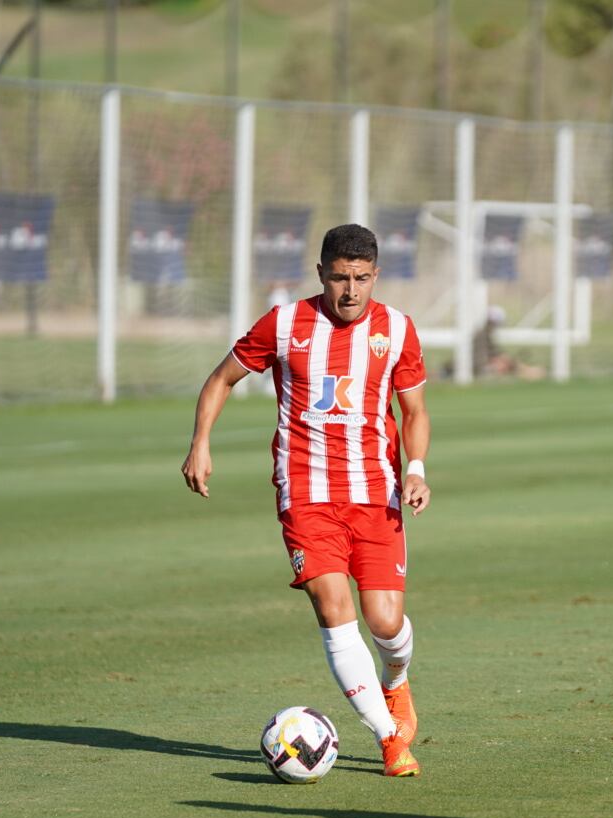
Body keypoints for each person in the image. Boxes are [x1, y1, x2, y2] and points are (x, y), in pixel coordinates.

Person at [182, 223, 430, 778]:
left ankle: (395, 680)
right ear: (320, 273)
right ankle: (391, 740)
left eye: (362, 279)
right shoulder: (284, 324)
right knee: (333, 609)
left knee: (385, 621)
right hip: (306, 496)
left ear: (376, 275)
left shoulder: (396, 329)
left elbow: (413, 411)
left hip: (375, 494)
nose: (350, 291)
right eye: (340, 278)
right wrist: (200, 442)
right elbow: (221, 379)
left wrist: (415, 469)